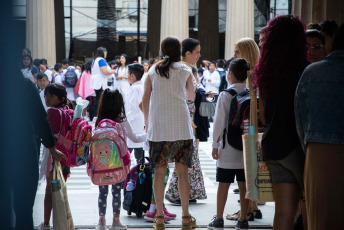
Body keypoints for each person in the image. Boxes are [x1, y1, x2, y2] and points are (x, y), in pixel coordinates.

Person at [253, 15, 308, 230]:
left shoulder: (267, 74)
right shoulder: (307, 71)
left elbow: (264, 117)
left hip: (274, 145)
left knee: (284, 213)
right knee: (310, 210)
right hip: (300, 147)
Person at [142, 36, 196, 230]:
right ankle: (186, 217)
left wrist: (148, 123)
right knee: (182, 173)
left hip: (158, 128)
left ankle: (158, 218)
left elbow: (145, 99)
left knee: (159, 172)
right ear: (179, 51)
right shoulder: (185, 70)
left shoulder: (153, 71)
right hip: (181, 126)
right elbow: (190, 95)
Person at [295, 23, 344, 230]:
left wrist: (309, 151)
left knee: (320, 218)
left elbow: (300, 119)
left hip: (319, 152)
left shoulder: (312, 73)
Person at [207, 58, 251, 230]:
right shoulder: (250, 94)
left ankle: (218, 219)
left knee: (224, 185)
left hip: (228, 148)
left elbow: (219, 123)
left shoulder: (225, 95)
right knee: (243, 185)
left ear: (230, 74)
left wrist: (215, 146)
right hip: (245, 147)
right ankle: (243, 220)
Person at [95, 89, 147, 230]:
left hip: (101, 165)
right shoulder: (122, 121)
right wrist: (149, 134)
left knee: (102, 192)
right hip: (119, 164)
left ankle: (101, 222)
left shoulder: (98, 121)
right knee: (116, 192)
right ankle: (116, 221)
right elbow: (135, 138)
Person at [166, 38, 207, 205]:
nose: (199, 55)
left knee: (191, 156)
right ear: (188, 53)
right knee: (186, 156)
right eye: (196, 52)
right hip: (184, 119)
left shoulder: (187, 69)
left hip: (188, 118)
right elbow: (180, 97)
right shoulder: (183, 70)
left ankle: (186, 192)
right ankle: (176, 192)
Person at [38, 83, 74, 230]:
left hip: (53, 157)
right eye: (46, 95)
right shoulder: (69, 111)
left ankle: (46, 224)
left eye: (51, 96)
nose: (47, 98)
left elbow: (47, 135)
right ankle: (63, 223)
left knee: (49, 192)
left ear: (61, 98)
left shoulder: (52, 112)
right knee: (61, 192)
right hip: (65, 156)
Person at [126, 63, 145, 163]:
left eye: (127, 74)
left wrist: (125, 121)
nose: (126, 76)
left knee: (128, 150)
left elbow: (133, 107)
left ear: (132, 76)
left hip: (133, 122)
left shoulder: (135, 88)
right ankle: (140, 174)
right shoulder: (140, 86)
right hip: (139, 121)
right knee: (138, 150)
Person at [90, 47, 117, 115]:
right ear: (102, 52)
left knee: (99, 100)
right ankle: (99, 116)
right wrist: (112, 71)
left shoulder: (95, 60)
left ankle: (97, 116)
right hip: (101, 84)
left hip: (97, 83)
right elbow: (105, 71)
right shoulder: (101, 60)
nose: (106, 53)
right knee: (101, 101)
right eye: (105, 52)